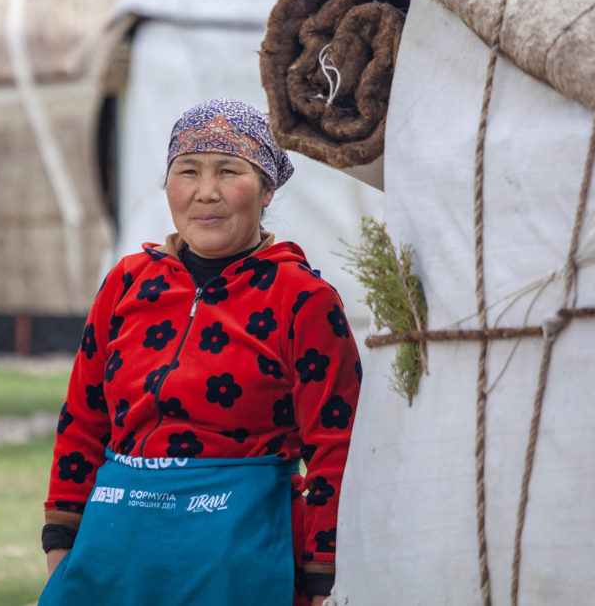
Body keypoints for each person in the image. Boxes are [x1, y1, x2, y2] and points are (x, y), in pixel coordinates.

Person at [38, 98, 362, 606]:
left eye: (228, 171)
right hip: (119, 545)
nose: (205, 192)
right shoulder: (127, 283)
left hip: (240, 552)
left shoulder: (303, 299)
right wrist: (61, 538)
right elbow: (83, 417)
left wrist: (322, 573)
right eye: (187, 171)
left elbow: (335, 445)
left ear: (266, 190)